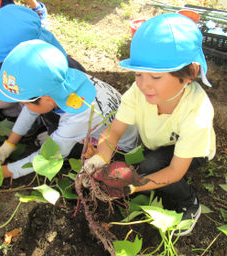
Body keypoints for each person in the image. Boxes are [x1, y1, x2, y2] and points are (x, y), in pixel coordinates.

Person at [83, 13, 216, 236]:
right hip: (155, 142)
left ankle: (189, 202)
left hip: (193, 152)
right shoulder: (138, 92)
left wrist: (132, 186)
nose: (145, 85)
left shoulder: (197, 113)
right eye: (138, 74)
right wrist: (101, 158)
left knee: (150, 167)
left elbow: (174, 171)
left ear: (190, 74)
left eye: (156, 77)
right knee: (140, 165)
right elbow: (114, 132)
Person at [0, 39, 138, 180]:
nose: (24, 106)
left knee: (63, 154)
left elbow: (50, 155)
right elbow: (32, 108)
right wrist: (10, 143)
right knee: (54, 130)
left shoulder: (80, 114)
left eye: (24, 103)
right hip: (98, 130)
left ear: (46, 99)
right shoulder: (62, 78)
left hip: (119, 149)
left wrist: (5, 172)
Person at [0, 4, 85, 135]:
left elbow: (72, 119)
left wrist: (54, 135)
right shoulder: (27, 57)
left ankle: (45, 127)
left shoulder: (52, 79)